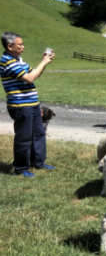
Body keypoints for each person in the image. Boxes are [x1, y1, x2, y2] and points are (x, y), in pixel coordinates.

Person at [1, 32, 55, 177]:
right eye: (20, 45)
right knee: (24, 137)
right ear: (10, 46)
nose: (23, 47)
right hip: (20, 105)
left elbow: (34, 73)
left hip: (32, 104)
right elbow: (30, 78)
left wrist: (44, 62)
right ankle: (20, 168)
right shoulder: (7, 62)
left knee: (38, 133)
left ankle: (38, 163)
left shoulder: (19, 60)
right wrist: (43, 63)